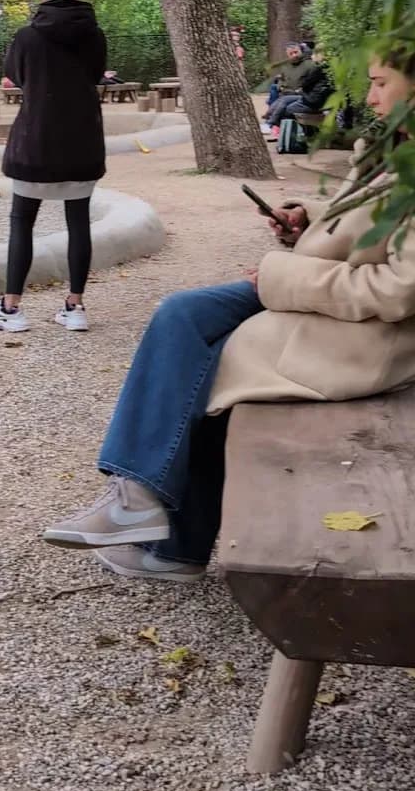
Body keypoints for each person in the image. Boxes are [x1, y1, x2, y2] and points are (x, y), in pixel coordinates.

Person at [43, 49, 415, 581]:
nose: (372, 97)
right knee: (184, 319)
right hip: (312, 297)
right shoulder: (387, 147)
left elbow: (400, 291)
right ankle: (149, 512)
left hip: (362, 336)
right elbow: (358, 223)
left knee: (211, 358)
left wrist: (286, 276)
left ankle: (165, 530)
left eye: (381, 84)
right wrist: (304, 221)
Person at [0, 0, 106, 334]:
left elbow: (16, 76)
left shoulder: (28, 37)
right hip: (82, 139)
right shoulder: (93, 34)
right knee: (78, 220)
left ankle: (11, 307)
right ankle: (75, 306)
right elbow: (96, 74)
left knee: (22, 221)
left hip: (36, 138)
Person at [263, 41, 315, 135]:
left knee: (283, 103)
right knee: (278, 103)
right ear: (287, 55)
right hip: (286, 93)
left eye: (296, 52)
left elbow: (313, 82)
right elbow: (281, 80)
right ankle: (271, 124)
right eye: (291, 54)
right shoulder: (286, 66)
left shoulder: (309, 65)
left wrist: (302, 90)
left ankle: (269, 124)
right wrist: (280, 86)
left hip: (302, 95)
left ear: (301, 51)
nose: (294, 55)